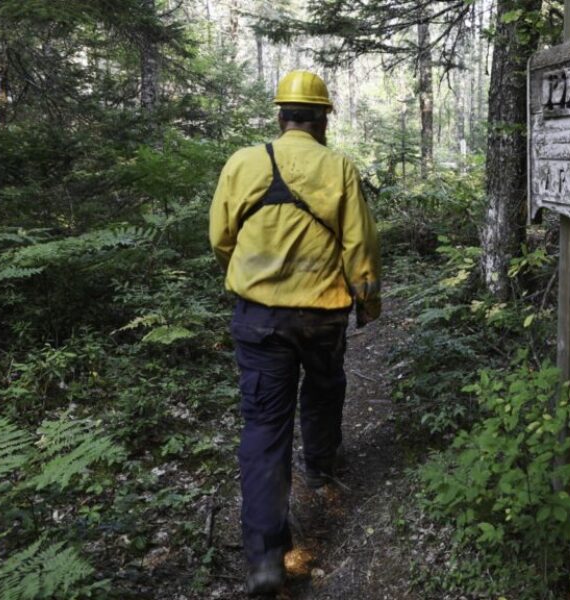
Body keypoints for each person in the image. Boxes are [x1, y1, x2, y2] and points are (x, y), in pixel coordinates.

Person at [208, 70, 381, 596]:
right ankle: (322, 465)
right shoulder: (340, 168)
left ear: (280, 114)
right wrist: (366, 304)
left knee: (263, 429)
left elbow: (221, 237)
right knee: (325, 388)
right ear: (323, 117)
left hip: (258, 318)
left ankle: (264, 559)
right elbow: (360, 247)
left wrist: (250, 277)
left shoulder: (243, 163)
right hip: (323, 315)